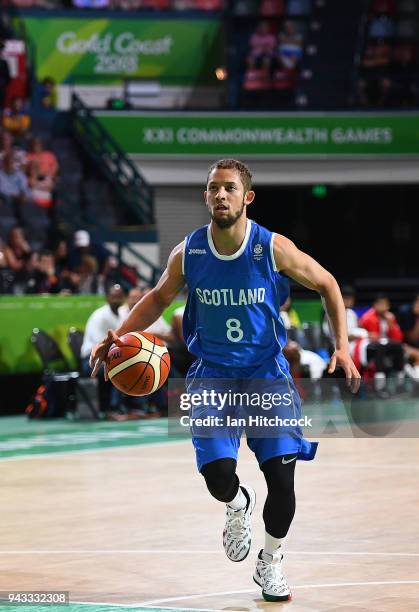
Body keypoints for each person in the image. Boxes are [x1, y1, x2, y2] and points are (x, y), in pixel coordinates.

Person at [89, 159, 360, 602]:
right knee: (218, 476)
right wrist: (117, 339)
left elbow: (327, 283)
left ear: (246, 197)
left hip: (266, 375)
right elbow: (158, 298)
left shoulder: (271, 247)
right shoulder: (190, 252)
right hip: (211, 375)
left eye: (230, 188)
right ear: (205, 196)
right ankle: (238, 503)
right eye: (213, 188)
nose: (220, 195)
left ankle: (271, 560)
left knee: (283, 481)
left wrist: (342, 346)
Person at [81, 284, 126, 412]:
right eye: (113, 297)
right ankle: (114, 408)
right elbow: (100, 346)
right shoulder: (99, 316)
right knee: (121, 367)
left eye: (119, 296)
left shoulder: (121, 315)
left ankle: (135, 406)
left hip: (109, 356)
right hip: (91, 360)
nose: (116, 299)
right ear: (107, 298)